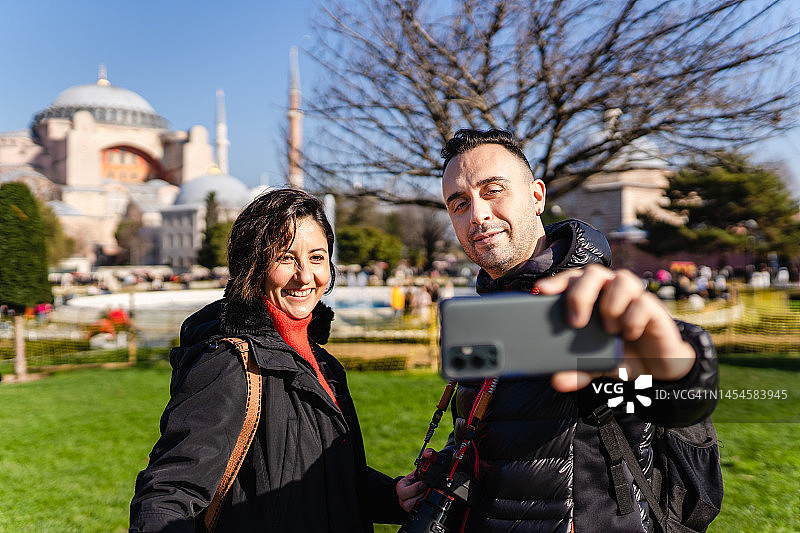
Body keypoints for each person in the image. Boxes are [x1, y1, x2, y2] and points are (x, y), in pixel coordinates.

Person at [398, 129, 719, 532]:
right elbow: (491, 430)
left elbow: (679, 398)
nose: (477, 214)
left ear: (537, 197)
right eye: (459, 203)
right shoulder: (481, 315)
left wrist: (679, 362)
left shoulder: (597, 302)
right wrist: (443, 468)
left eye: (493, 191)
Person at [130, 189, 413, 532]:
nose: (305, 276)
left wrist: (392, 496)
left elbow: (324, 478)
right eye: (286, 258)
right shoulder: (231, 362)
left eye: (317, 257)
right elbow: (169, 493)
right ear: (252, 266)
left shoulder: (323, 363)